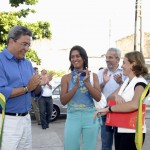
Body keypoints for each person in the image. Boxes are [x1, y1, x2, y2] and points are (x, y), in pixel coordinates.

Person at [0, 25, 47, 150]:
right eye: (24, 44)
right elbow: (1, 92)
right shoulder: (0, 61)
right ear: (11, 41)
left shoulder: (27, 63)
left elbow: (34, 92)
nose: (26, 49)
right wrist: (26, 88)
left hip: (26, 119)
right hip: (8, 121)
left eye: (28, 45)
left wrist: (38, 83)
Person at [94, 51, 149, 150]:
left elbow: (134, 104)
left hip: (133, 132)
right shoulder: (127, 82)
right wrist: (117, 97)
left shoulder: (140, 83)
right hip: (120, 128)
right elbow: (109, 98)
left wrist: (108, 109)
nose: (122, 66)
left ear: (133, 64)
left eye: (124, 63)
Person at [60, 45, 101, 150]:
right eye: (72, 57)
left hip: (90, 116)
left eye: (77, 56)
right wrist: (76, 87)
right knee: (70, 147)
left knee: (90, 147)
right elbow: (63, 101)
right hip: (73, 116)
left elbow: (98, 98)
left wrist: (86, 83)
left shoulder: (93, 76)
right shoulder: (66, 78)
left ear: (83, 58)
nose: (75, 59)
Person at [97, 47, 126, 150]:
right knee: (106, 144)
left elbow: (129, 91)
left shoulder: (125, 72)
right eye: (106, 57)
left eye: (110, 57)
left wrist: (120, 83)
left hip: (120, 111)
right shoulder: (101, 73)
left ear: (118, 59)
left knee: (120, 143)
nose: (107, 60)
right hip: (105, 111)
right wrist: (103, 83)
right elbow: (96, 91)